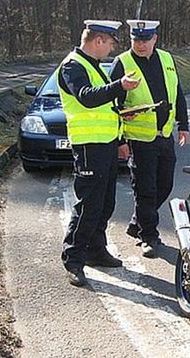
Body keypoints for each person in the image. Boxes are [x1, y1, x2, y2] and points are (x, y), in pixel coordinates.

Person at [58, 20, 140, 287]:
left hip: (105, 144)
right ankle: (74, 259)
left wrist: (120, 135)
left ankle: (96, 250)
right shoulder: (72, 66)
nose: (112, 49)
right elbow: (87, 97)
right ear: (99, 40)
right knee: (88, 206)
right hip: (88, 146)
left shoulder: (94, 66)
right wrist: (120, 86)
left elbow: (105, 108)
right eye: (111, 43)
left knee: (105, 203)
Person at [110, 19, 190, 258]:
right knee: (146, 189)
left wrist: (183, 125)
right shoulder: (122, 63)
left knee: (165, 185)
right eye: (136, 40)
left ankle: (137, 222)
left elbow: (177, 93)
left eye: (145, 40)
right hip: (139, 139)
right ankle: (149, 236)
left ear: (155, 38)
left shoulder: (166, 59)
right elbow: (112, 105)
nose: (140, 44)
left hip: (164, 136)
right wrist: (120, 141)